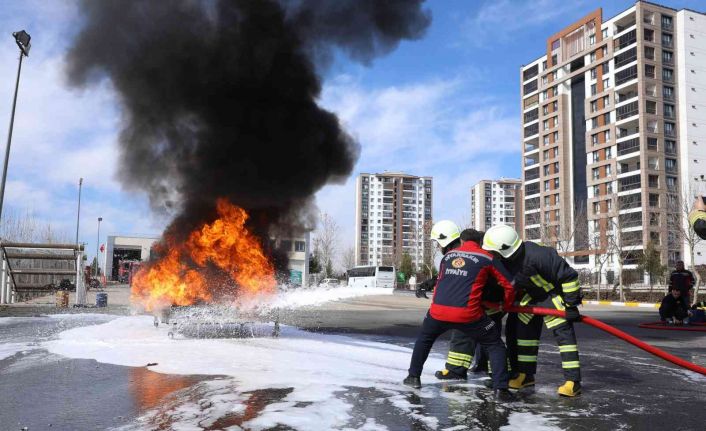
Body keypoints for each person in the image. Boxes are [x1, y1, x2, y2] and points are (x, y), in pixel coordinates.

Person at [403, 220, 516, 400]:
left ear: (462, 241)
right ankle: (501, 389)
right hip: (469, 314)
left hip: (437, 312)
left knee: (424, 339)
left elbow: (441, 281)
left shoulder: (448, 257)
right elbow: (510, 284)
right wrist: (507, 305)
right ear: (481, 243)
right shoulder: (487, 257)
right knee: (495, 344)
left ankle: (413, 377)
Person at [482, 224, 583, 397]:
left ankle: (573, 382)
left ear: (504, 248)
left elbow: (569, 277)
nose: (492, 255)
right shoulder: (505, 261)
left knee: (564, 338)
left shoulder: (539, 255)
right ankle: (525, 375)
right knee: (522, 334)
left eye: (494, 252)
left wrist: (571, 305)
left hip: (554, 298)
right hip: (532, 298)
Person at [433, 229, 508, 381]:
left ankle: (496, 374)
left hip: (488, 306)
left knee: (490, 341)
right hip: (475, 305)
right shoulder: (478, 257)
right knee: (463, 336)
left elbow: (501, 282)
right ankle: (457, 370)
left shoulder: (488, 258)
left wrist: (501, 303)